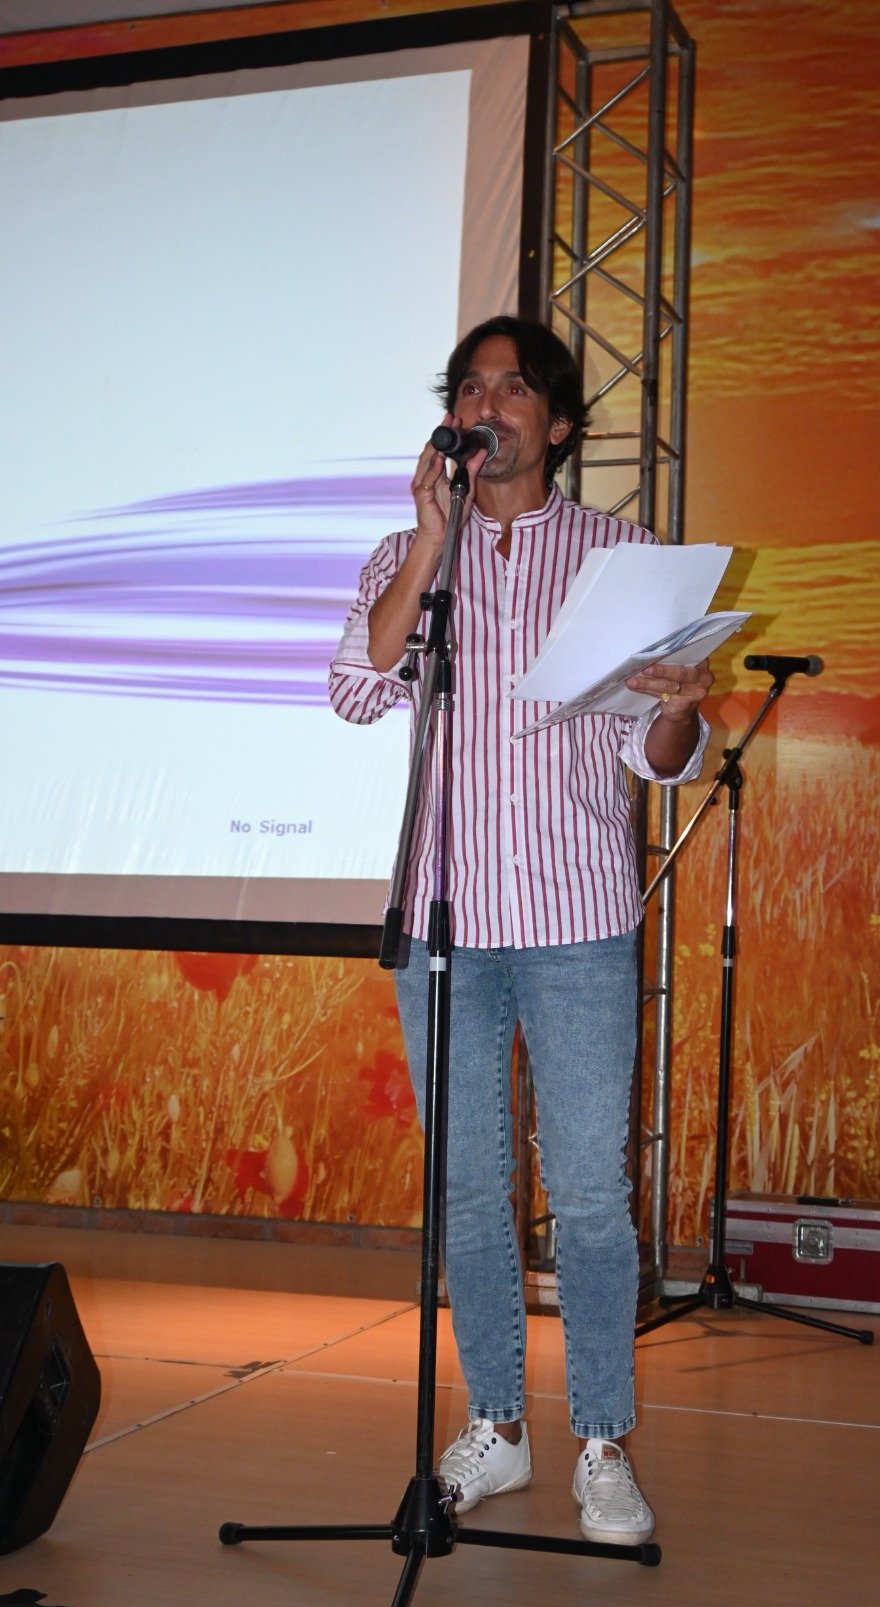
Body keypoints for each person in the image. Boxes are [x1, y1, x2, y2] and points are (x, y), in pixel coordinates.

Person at [329, 316, 712, 1544]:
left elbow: (657, 755)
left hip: (573, 917)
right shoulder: (409, 553)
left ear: (556, 421)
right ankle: (495, 1424)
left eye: (509, 387)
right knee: (467, 1186)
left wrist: (675, 707)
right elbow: (355, 688)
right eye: (467, 387)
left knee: (590, 1191)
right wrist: (429, 539)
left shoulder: (619, 556)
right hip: (443, 919)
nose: (484, 404)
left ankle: (603, 1437)